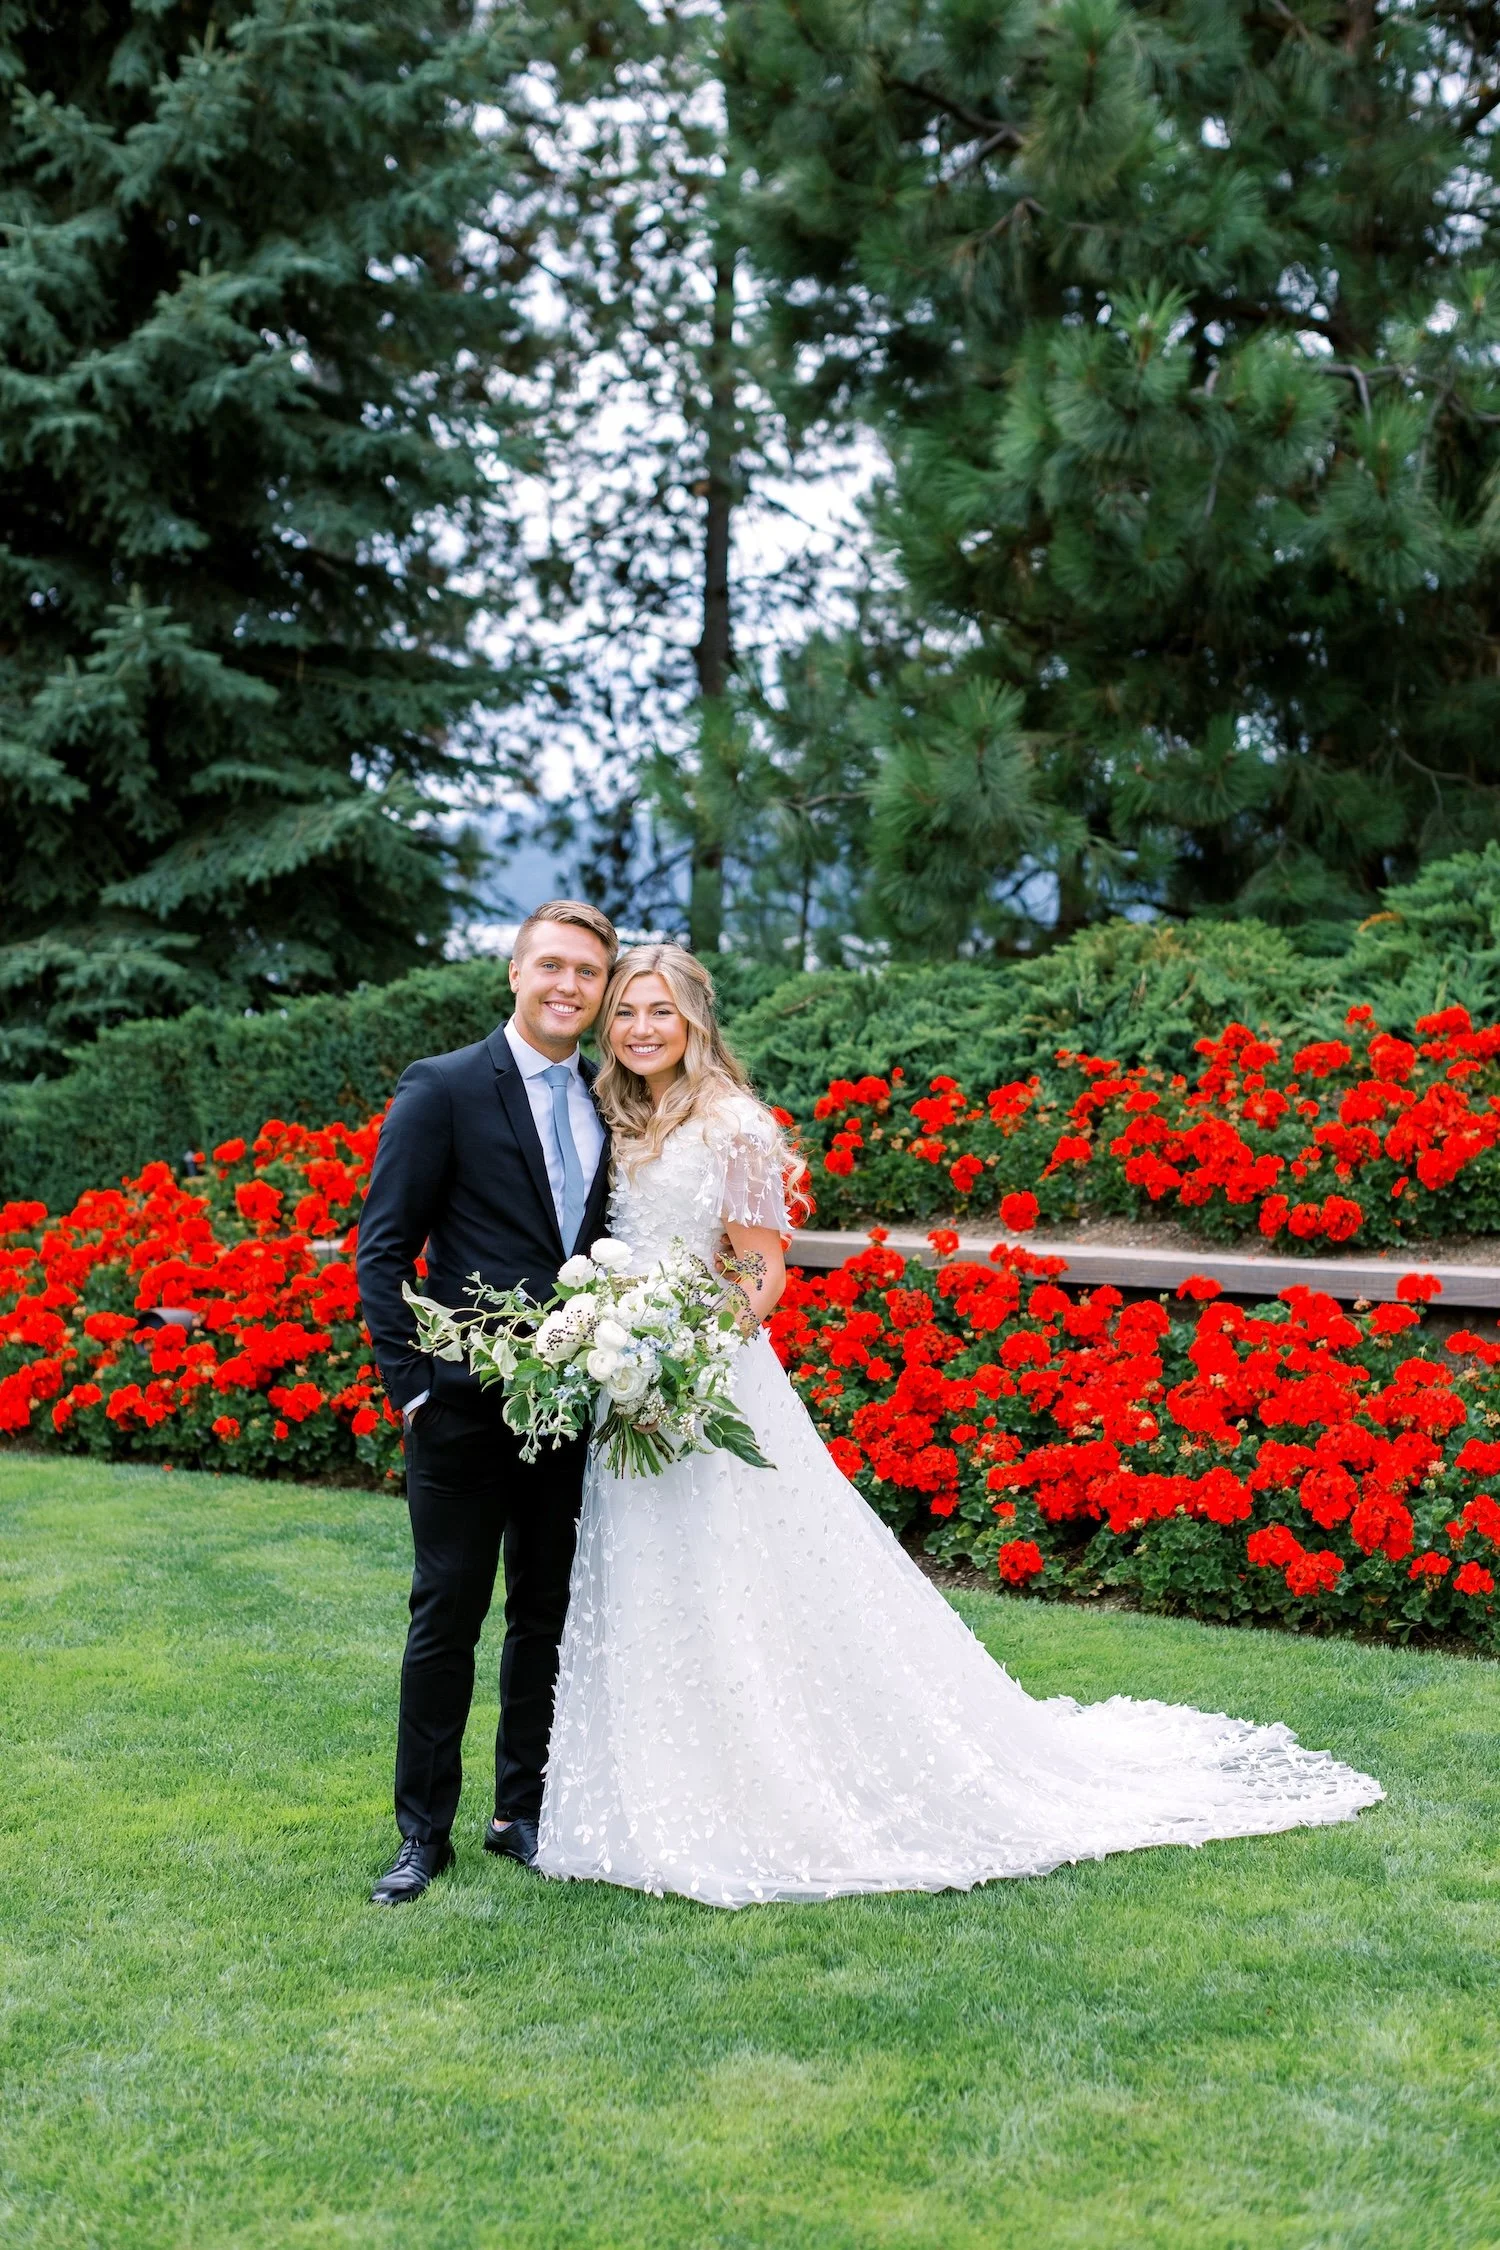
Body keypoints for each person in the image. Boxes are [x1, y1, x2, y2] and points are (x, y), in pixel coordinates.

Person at [535, 944, 1384, 1907]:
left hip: (707, 1381)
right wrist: (624, 1347)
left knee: (740, 1575)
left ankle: (772, 1778)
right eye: (628, 1014)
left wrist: (690, 1350)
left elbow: (761, 1272)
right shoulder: (619, 1115)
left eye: (662, 1013)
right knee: (656, 1579)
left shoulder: (732, 1124)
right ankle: (664, 1777)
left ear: (696, 1021)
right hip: (629, 1385)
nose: (641, 1029)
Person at [357, 900, 617, 1905]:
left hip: (572, 1409)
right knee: (446, 1618)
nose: (568, 986)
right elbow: (382, 1251)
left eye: (586, 974)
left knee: (545, 1617)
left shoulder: (611, 1098)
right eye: (550, 966)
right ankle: (422, 1834)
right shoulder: (447, 1088)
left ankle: (523, 1814)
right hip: (460, 1411)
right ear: (515, 973)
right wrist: (414, 1389)